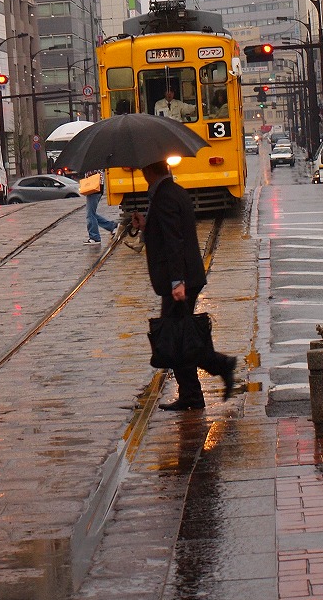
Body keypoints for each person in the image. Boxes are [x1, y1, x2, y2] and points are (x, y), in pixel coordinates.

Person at [134, 160, 236, 411]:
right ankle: (193, 393)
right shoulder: (172, 191)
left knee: (174, 339)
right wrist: (145, 225)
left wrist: (177, 281)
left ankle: (220, 366)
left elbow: (173, 241)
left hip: (180, 281)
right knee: (178, 339)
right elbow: (167, 233)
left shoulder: (165, 196)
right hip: (183, 278)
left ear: (149, 170)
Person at [84, 170, 117, 246]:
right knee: (92, 214)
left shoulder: (92, 162)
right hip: (96, 189)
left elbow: (92, 173)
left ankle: (95, 237)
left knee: (90, 215)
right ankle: (111, 226)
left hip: (94, 189)